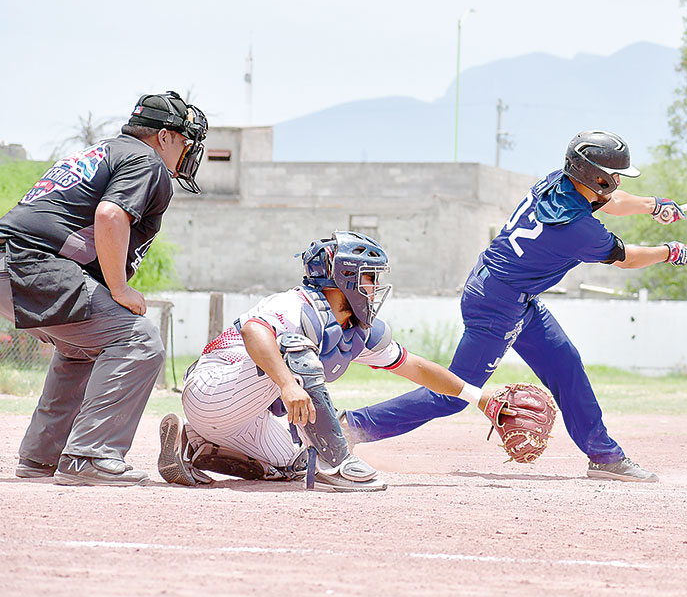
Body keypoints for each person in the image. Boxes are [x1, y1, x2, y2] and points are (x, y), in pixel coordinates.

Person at [341, 130, 687, 482]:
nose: (618, 181)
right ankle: (348, 427)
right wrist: (669, 252)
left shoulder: (557, 183)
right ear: (595, 177)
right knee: (452, 395)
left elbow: (612, 202)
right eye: (613, 175)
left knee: (566, 366)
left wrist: (654, 205)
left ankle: (604, 457)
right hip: (499, 303)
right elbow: (627, 259)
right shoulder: (578, 229)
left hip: (510, 293)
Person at [157, 231, 497, 492]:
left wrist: (480, 398)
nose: (374, 287)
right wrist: (288, 384)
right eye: (368, 276)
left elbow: (417, 368)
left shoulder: (351, 329)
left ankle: (193, 444)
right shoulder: (296, 304)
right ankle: (339, 464)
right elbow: (253, 331)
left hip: (240, 417)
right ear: (344, 277)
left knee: (300, 461)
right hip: (212, 389)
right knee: (295, 350)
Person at [0, 90, 208, 486]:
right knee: (139, 340)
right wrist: (119, 288)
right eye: (183, 140)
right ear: (164, 136)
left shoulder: (105, 151)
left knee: (84, 347)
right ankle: (89, 456)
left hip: (14, 262)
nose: (186, 150)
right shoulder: (147, 161)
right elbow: (110, 215)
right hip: (32, 264)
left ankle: (41, 458)